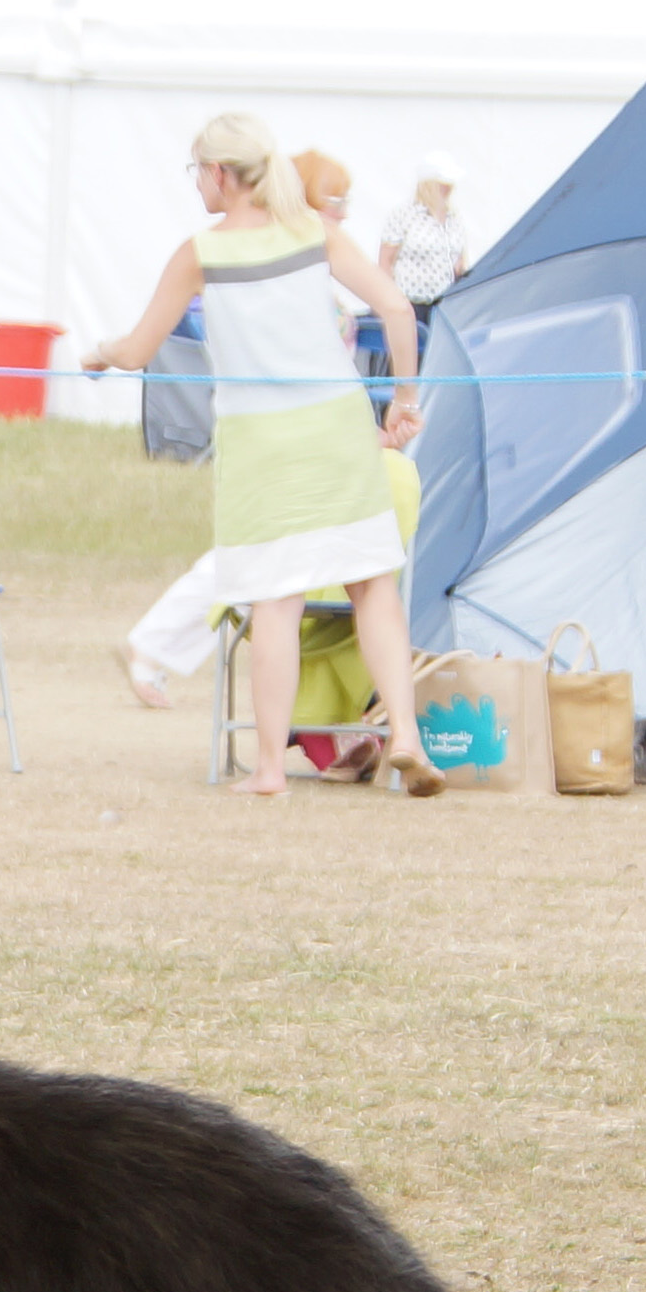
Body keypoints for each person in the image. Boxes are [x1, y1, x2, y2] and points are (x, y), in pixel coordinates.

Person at [84, 111, 441, 798]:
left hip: (261, 445)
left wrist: (97, 355)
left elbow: (135, 351)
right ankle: (404, 735)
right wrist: (401, 398)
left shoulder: (202, 252)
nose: (197, 187)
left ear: (220, 175)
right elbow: (397, 310)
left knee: (277, 603)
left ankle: (272, 770)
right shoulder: (317, 231)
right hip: (338, 432)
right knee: (373, 586)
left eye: (198, 174)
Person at [121, 147, 372, 713]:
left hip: (310, 436)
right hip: (288, 438)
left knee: (269, 559)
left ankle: (157, 644)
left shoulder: (308, 265)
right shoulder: (275, 266)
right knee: (254, 558)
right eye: (336, 200)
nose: (345, 214)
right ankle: (156, 643)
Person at [380, 151, 471, 346]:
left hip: (445, 304)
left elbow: (460, 258)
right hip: (411, 304)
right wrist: (391, 302)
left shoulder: (454, 217)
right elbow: (385, 262)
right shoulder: (403, 215)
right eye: (442, 183)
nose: (448, 188)